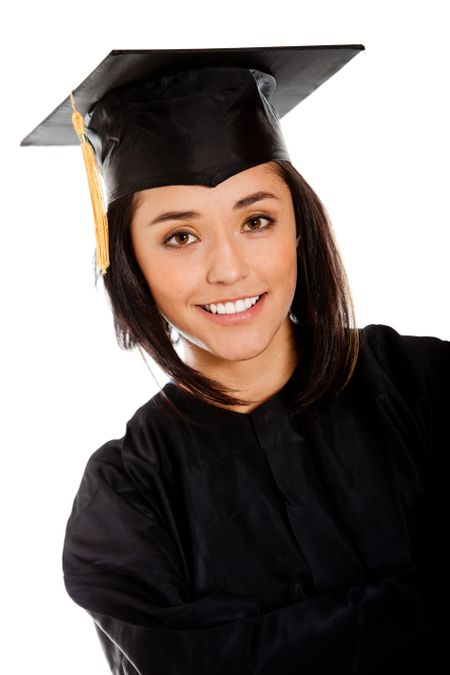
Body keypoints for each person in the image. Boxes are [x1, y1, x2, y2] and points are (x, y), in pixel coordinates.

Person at [21, 46, 449, 674]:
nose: (229, 269)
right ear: (129, 261)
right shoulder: (127, 501)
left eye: (256, 220)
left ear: (298, 227)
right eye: (180, 236)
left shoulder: (425, 386)